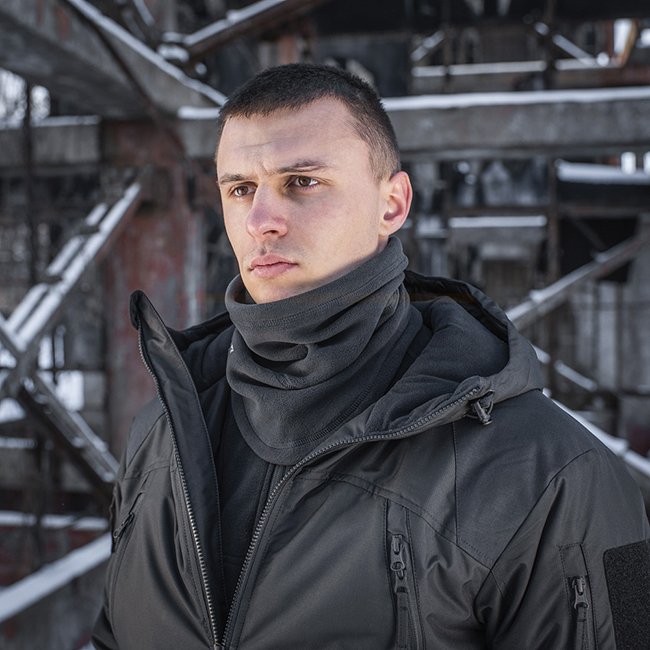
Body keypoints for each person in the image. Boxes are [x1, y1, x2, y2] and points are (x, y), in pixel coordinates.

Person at [93, 63, 650, 650]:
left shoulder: (561, 473)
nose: (260, 222)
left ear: (392, 204)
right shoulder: (161, 433)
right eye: (240, 189)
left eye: (301, 182)